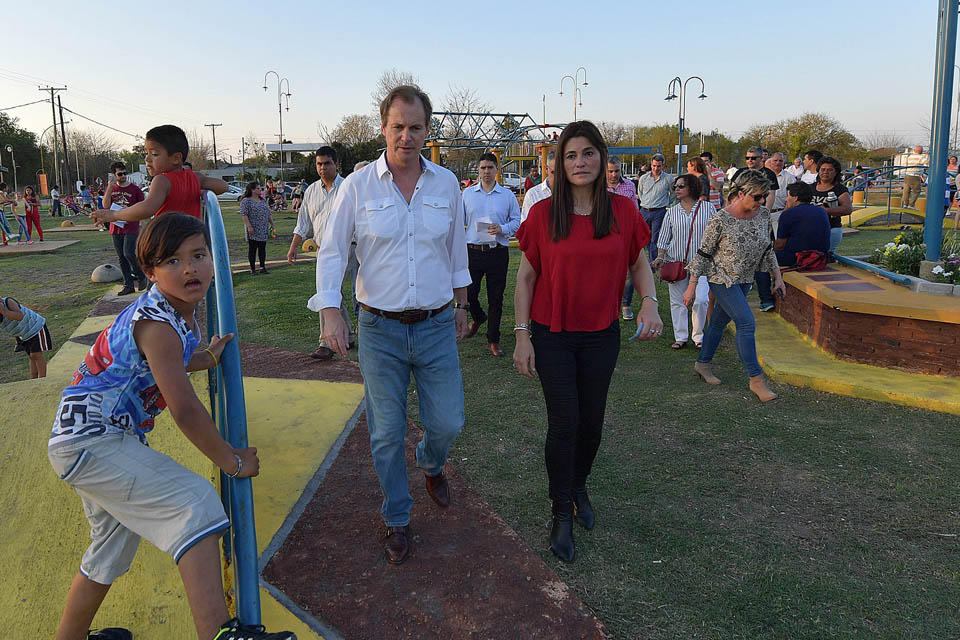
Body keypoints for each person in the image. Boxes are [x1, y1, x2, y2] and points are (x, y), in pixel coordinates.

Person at [47, 213, 296, 640]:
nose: (189, 269)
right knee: (195, 503)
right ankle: (220, 634)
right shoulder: (157, 323)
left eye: (198, 255)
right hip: (94, 440)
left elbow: (172, 365)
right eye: (172, 261)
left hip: (83, 441)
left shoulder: (172, 314)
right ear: (151, 272)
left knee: (108, 551)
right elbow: (183, 407)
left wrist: (209, 356)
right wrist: (230, 460)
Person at [309, 85, 470, 565]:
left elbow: (455, 249)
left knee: (447, 420)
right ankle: (397, 517)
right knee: (385, 431)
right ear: (383, 128)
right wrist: (330, 310)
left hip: (437, 324)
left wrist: (463, 302)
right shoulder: (358, 187)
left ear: (427, 130)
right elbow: (334, 250)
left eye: (415, 127)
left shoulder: (446, 184)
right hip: (379, 328)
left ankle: (430, 460)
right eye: (398, 126)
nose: (406, 136)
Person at [513, 120, 662, 563]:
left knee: (592, 423)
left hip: (601, 334)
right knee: (564, 423)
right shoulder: (543, 213)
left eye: (588, 153)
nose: (580, 162)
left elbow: (639, 262)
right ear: (560, 162)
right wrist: (522, 336)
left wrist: (650, 302)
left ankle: (579, 487)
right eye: (571, 155)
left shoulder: (624, 211)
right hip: (552, 333)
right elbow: (524, 279)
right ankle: (560, 511)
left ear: (602, 158)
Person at [686, 170, 784, 402]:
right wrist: (691, 286)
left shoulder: (762, 215)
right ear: (741, 194)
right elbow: (703, 254)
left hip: (745, 278)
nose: (761, 202)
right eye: (757, 197)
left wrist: (777, 276)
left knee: (718, 323)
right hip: (722, 278)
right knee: (746, 322)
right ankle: (756, 380)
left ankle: (703, 363)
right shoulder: (720, 219)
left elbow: (768, 250)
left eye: (764, 197)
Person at [287, 146, 355, 359]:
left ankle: (333, 341)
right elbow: (303, 223)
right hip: (325, 250)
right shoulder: (311, 191)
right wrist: (293, 247)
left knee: (343, 292)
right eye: (319, 164)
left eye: (327, 163)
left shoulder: (348, 187)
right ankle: (338, 339)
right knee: (329, 292)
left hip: (351, 247)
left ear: (336, 164)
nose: (323, 168)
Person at [93, 125, 228, 225]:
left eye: (155, 154)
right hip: (194, 240)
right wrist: (198, 189)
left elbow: (147, 208)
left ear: (176, 158)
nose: (147, 159)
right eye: (146, 153)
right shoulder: (194, 177)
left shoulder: (162, 180)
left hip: (169, 241)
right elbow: (223, 186)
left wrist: (116, 214)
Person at [462, 152, 521, 357]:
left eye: (490, 168)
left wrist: (502, 228)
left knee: (496, 298)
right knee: (469, 294)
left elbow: (516, 221)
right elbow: (459, 220)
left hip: (497, 252)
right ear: (477, 170)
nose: (486, 172)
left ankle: (493, 340)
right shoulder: (467, 194)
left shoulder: (507, 196)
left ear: (497, 170)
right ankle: (478, 317)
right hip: (473, 252)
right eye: (483, 168)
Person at [652, 174, 716, 349]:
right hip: (676, 262)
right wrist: (660, 257)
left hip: (703, 264)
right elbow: (664, 238)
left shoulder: (708, 209)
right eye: (675, 187)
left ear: (692, 188)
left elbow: (716, 235)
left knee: (701, 299)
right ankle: (680, 337)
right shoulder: (671, 212)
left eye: (681, 186)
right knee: (678, 301)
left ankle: (698, 336)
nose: (676, 190)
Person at [627, 152, 673, 319]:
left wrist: (667, 204)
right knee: (639, 238)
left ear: (663, 166)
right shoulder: (644, 178)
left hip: (659, 210)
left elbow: (672, 193)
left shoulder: (668, 179)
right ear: (651, 164)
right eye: (654, 165)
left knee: (655, 239)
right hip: (644, 209)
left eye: (659, 166)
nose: (656, 168)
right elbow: (640, 191)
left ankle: (654, 264)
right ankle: (638, 262)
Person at [103, 162, 148, 295]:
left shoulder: (135, 189)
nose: (123, 176)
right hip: (116, 226)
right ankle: (128, 284)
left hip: (131, 225)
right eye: (120, 174)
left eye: (124, 173)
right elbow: (106, 205)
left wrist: (143, 225)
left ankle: (141, 275)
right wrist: (110, 188)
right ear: (114, 175)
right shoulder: (112, 188)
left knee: (129, 253)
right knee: (121, 257)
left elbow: (143, 207)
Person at [775, 182, 831, 266]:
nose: (786, 200)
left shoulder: (788, 214)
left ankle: (765, 279)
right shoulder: (821, 211)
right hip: (819, 257)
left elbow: (780, 245)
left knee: (762, 257)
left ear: (795, 198)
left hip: (797, 258)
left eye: (789, 196)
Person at [1, 295, 51, 378]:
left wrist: (4, 312)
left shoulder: (8, 302)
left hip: (35, 327)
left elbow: (20, 316)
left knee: (36, 355)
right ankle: (33, 379)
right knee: (31, 357)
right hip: (23, 334)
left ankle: (42, 379)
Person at [810, 156, 852, 253]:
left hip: (831, 229)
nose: (825, 172)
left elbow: (847, 208)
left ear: (836, 172)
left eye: (830, 170)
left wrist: (824, 211)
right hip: (811, 229)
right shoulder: (810, 188)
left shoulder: (840, 189)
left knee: (826, 259)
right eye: (823, 169)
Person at [240, 182, 274, 275]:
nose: (260, 190)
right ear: (252, 190)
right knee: (253, 249)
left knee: (262, 248)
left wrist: (272, 224)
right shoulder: (246, 201)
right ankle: (253, 269)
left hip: (263, 228)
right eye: (258, 188)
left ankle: (262, 267)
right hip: (253, 228)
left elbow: (268, 213)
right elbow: (244, 214)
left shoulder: (262, 200)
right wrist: (249, 226)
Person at [521, 151, 555, 223]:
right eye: (554, 172)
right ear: (546, 169)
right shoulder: (532, 194)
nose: (559, 176)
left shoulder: (573, 193)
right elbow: (525, 224)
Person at [766, 152, 797, 217]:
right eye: (775, 160)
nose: (778, 163)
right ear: (771, 162)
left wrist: (783, 214)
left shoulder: (790, 178)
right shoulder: (764, 176)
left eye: (780, 161)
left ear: (784, 163)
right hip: (763, 214)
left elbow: (792, 199)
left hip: (779, 213)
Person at [902, 145, 928, 210]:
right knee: (916, 190)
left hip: (907, 175)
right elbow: (927, 163)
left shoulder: (910, 157)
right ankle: (911, 204)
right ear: (921, 151)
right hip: (915, 176)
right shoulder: (921, 157)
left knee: (906, 190)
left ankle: (905, 204)